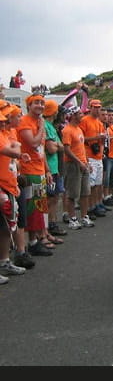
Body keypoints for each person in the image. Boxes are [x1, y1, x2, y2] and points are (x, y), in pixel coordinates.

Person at [16, 94, 54, 256]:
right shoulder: (25, 122)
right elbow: (33, 143)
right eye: (36, 103)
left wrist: (46, 170)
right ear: (29, 106)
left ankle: (35, 240)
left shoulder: (39, 122)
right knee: (31, 208)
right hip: (28, 171)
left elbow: (42, 150)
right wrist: (40, 129)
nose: (40, 105)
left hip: (39, 171)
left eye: (42, 103)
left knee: (39, 208)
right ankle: (30, 243)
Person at [0, 109, 28, 281]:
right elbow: (12, 151)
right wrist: (16, 150)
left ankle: (4, 262)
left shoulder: (6, 133)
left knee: (5, 227)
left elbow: (14, 148)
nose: (3, 123)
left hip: (9, 185)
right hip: (2, 186)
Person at [61, 106, 94, 229]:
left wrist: (87, 162)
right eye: (80, 113)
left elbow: (82, 148)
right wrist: (78, 162)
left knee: (85, 192)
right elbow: (67, 149)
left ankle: (84, 216)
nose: (82, 115)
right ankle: (72, 218)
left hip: (83, 163)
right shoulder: (67, 130)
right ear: (73, 115)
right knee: (73, 193)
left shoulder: (79, 129)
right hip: (73, 164)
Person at [79, 98, 108, 220]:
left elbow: (102, 140)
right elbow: (81, 139)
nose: (97, 109)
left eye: (99, 107)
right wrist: (95, 138)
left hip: (98, 156)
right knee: (90, 185)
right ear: (90, 108)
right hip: (89, 155)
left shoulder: (100, 123)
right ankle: (89, 207)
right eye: (95, 107)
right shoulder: (85, 121)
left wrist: (101, 149)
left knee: (98, 183)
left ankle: (96, 204)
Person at [43, 99, 67, 240]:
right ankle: (48, 226)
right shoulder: (46, 126)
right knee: (49, 199)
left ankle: (52, 224)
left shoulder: (51, 126)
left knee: (54, 198)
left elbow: (61, 145)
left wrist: (57, 145)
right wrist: (57, 145)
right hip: (49, 168)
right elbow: (52, 148)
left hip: (54, 167)